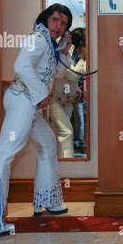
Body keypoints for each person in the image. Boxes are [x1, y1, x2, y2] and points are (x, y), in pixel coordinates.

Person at [0, 4, 72, 239]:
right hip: (24, 102)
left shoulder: (48, 42)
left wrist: (64, 50)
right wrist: (41, 95)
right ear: (46, 19)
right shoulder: (37, 39)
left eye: (64, 23)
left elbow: (55, 73)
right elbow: (21, 66)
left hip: (28, 103)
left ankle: (46, 201)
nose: (59, 26)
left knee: (47, 142)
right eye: (55, 20)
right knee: (4, 154)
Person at [49, 28, 86, 158]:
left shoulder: (70, 54)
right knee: (66, 132)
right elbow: (72, 76)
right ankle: (67, 168)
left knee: (59, 134)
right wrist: (82, 60)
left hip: (68, 101)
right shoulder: (61, 52)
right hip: (55, 101)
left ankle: (59, 167)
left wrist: (77, 90)